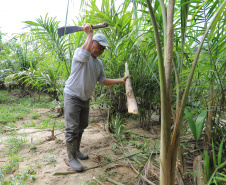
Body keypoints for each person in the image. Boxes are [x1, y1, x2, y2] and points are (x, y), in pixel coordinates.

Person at [63, 23, 128, 172]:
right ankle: (71, 157)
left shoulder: (98, 63)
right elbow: (86, 56)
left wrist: (120, 80)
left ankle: (77, 151)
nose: (101, 51)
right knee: (72, 128)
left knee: (81, 126)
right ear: (92, 43)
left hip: (85, 98)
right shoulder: (80, 53)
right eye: (99, 47)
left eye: (103, 49)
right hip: (72, 95)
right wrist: (89, 34)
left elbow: (103, 81)